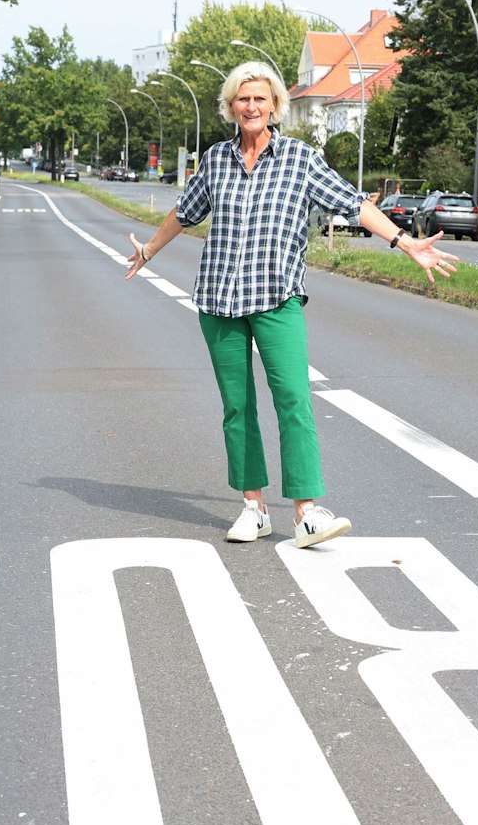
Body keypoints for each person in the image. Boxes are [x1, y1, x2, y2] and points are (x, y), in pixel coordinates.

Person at [124, 61, 459, 547]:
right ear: (231, 106)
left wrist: (403, 241)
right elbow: (186, 210)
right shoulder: (216, 159)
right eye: (243, 99)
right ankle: (254, 507)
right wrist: (150, 250)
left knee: (294, 400)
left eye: (260, 98)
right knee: (237, 407)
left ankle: (306, 512)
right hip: (219, 299)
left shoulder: (301, 159)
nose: (252, 107)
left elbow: (353, 203)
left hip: (277, 297)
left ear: (275, 105)